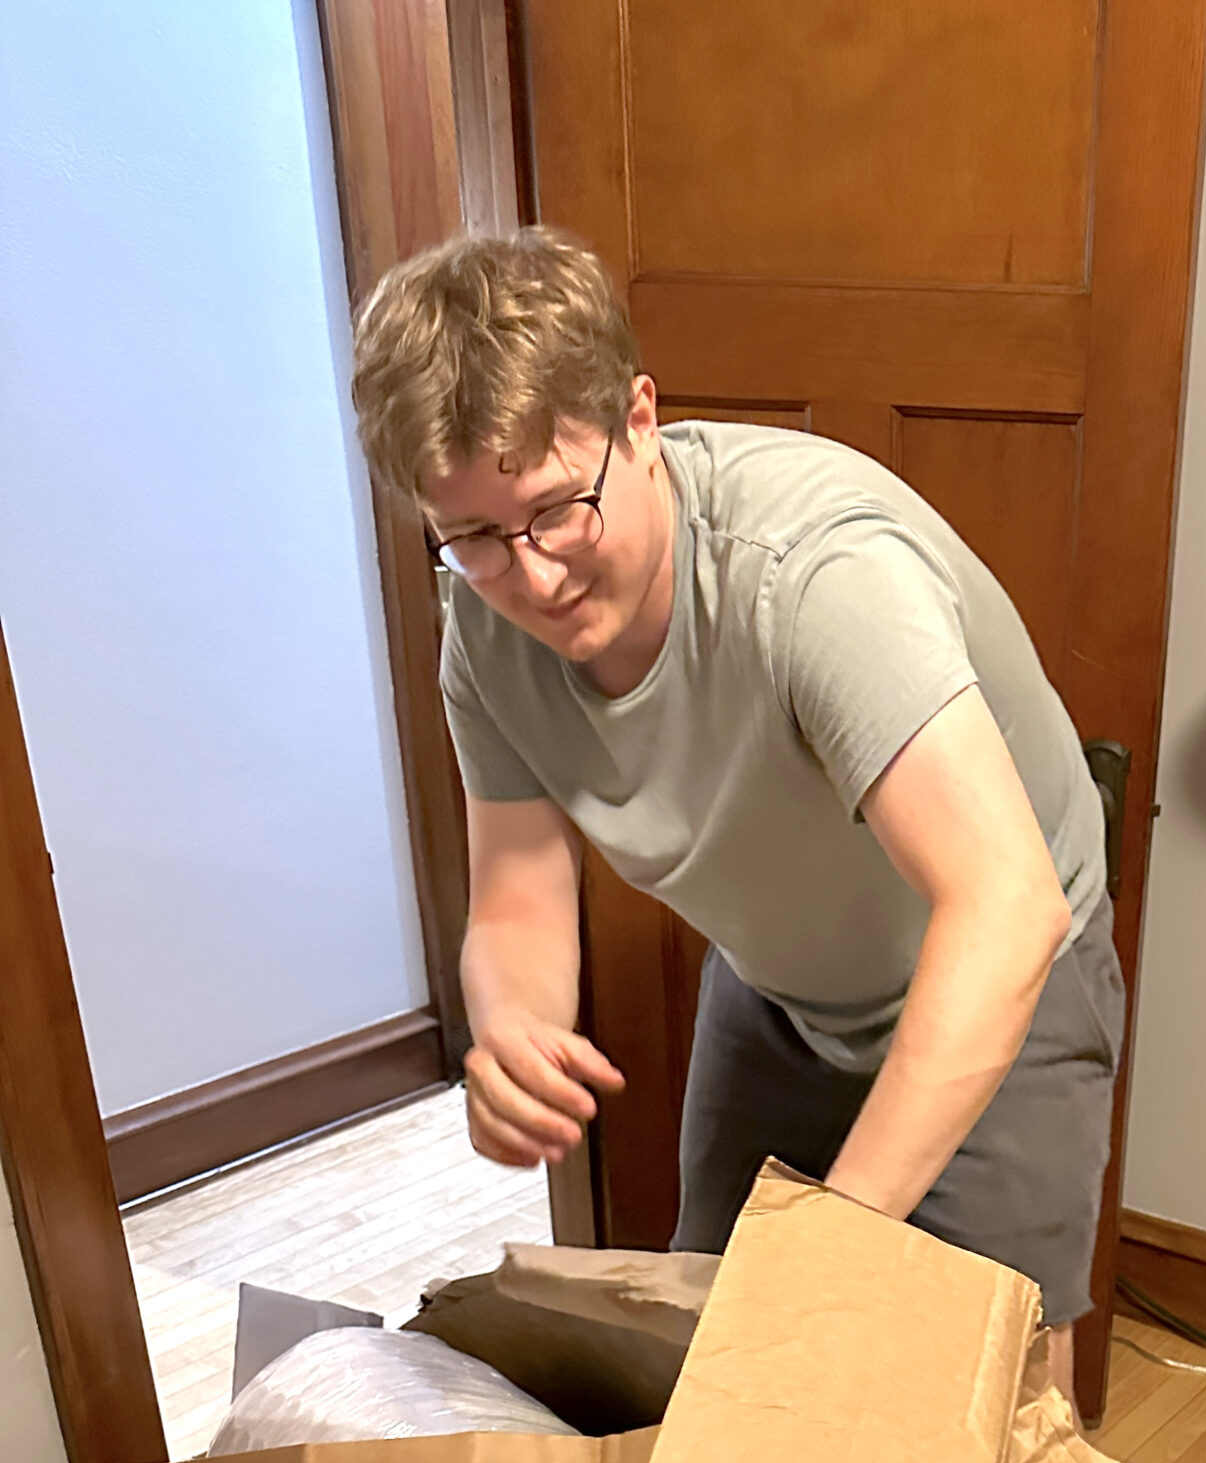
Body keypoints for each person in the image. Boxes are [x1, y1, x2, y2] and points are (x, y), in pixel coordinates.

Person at [350, 227, 1123, 1394]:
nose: (535, 577)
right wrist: (510, 1029)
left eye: (559, 509)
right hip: (779, 986)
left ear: (639, 422)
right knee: (717, 1354)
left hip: (1004, 968)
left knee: (991, 1404)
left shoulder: (814, 578)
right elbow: (515, 899)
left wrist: (842, 1233)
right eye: (473, 539)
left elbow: (1005, 908)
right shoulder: (487, 636)